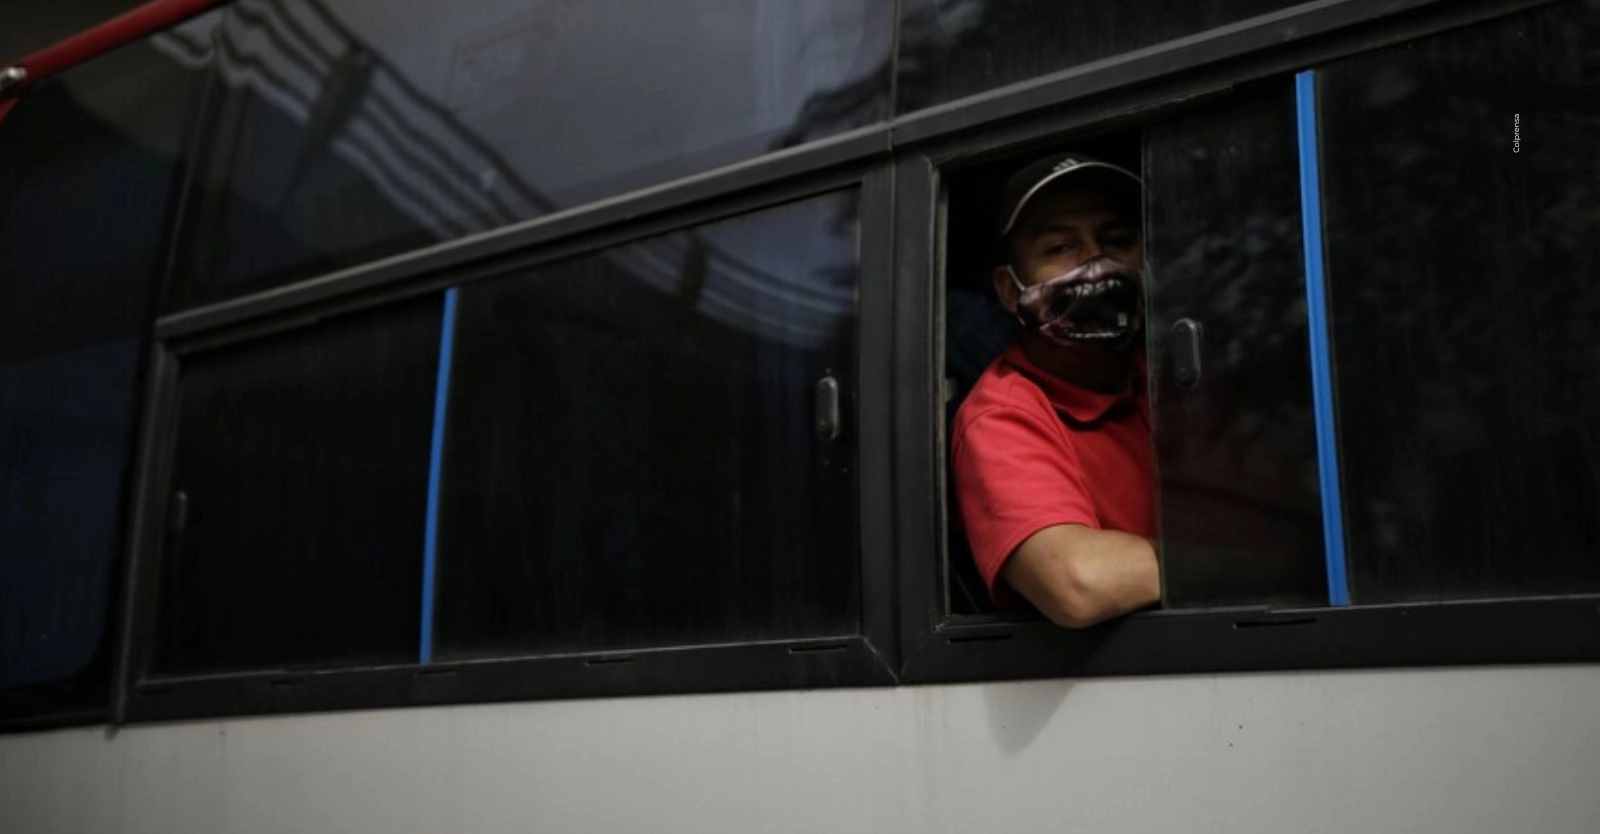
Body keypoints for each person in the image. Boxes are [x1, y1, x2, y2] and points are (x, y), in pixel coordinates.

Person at [951, 153, 1159, 628]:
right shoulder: (1002, 416)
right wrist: (1232, 560)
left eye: (1117, 240)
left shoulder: (1183, 381)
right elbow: (1077, 583)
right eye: (1060, 247)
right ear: (1009, 290)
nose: (1095, 260)